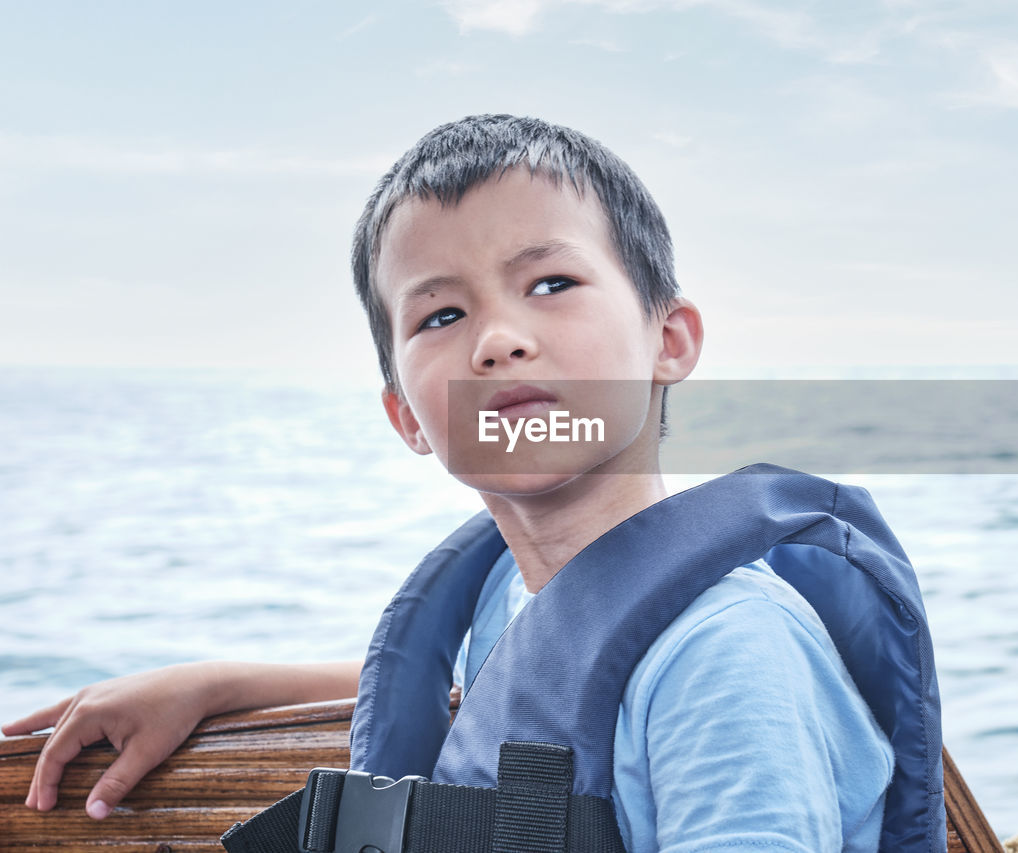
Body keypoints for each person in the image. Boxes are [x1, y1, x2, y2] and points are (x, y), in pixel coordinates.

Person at [4, 115, 905, 852]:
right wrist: (223, 683)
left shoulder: (730, 654)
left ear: (667, 342)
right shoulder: (521, 598)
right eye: (442, 312)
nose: (499, 338)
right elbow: (533, 674)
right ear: (406, 417)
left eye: (551, 282)